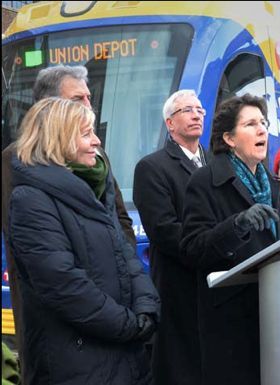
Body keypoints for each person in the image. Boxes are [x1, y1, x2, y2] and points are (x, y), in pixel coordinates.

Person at [8, 97, 160, 385]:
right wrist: (128, 324)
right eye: (86, 133)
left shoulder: (94, 188)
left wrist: (146, 307)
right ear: (59, 139)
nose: (96, 141)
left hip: (124, 357)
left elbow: (126, 258)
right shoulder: (30, 200)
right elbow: (63, 285)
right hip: (78, 365)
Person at [1, 65, 135, 363]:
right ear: (48, 107)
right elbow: (30, 245)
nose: (89, 106)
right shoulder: (16, 159)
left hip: (112, 297)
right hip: (59, 318)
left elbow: (119, 217)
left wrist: (124, 266)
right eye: (78, 99)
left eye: (89, 98)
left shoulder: (97, 156)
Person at [180, 94, 280, 385]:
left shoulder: (272, 185)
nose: (262, 130)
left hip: (277, 313)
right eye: (251, 124)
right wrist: (237, 225)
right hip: (231, 323)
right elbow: (192, 250)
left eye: (263, 123)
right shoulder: (204, 181)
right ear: (229, 138)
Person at [133, 90, 210, 384]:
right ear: (170, 123)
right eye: (187, 110)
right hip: (180, 286)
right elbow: (163, 229)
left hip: (219, 284)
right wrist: (212, 246)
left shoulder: (216, 163)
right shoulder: (152, 167)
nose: (196, 114)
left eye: (199, 110)